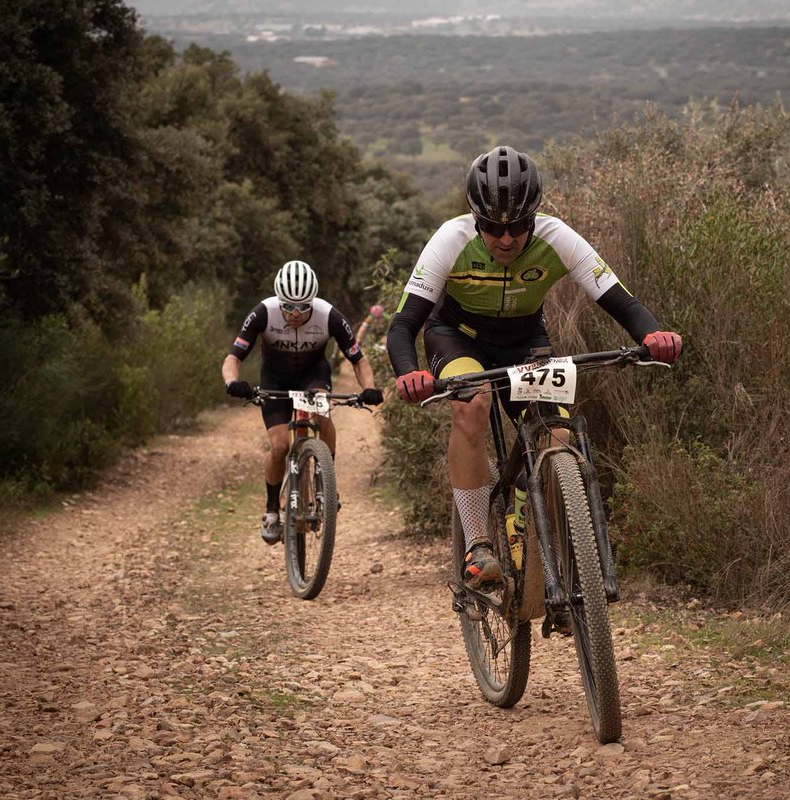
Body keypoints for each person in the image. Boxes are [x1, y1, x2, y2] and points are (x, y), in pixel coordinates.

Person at [386, 145, 682, 590]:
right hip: (457, 336)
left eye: (519, 226)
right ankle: (478, 545)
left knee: (556, 435)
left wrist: (652, 335)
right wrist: (409, 370)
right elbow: (405, 322)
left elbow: (621, 300)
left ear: (535, 216)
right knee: (472, 405)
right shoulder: (450, 238)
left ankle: (529, 532)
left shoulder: (557, 237)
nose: (506, 240)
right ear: (475, 218)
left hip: (525, 342)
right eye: (491, 227)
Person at [222, 260, 384, 544]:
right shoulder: (263, 312)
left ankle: (327, 482)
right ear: (278, 301)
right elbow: (233, 358)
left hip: (312, 376)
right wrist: (232, 383)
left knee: (322, 415)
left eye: (303, 307)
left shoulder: (329, 316)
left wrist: (369, 387)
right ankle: (272, 510)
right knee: (280, 446)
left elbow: (359, 360)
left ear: (313, 302)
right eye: (288, 307)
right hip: (274, 380)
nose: (295, 314)